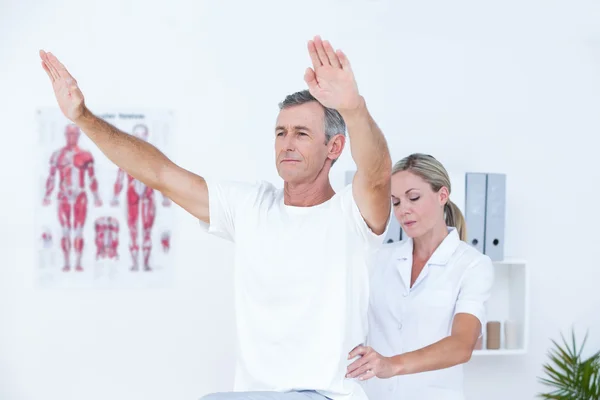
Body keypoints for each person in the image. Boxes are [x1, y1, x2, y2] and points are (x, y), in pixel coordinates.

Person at [39, 35, 392, 400]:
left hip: (326, 395)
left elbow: (379, 174)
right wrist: (83, 118)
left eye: (302, 134)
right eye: (280, 133)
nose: (287, 143)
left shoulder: (352, 214)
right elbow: (159, 173)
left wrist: (353, 108)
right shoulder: (250, 206)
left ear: (334, 147)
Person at [345, 153, 494, 400]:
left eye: (413, 197)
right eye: (396, 202)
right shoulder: (379, 258)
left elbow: (462, 344)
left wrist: (391, 365)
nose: (404, 210)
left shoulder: (473, 265)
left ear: (442, 195)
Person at [42, 123, 103, 272]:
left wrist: (96, 197)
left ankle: (78, 262)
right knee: (65, 230)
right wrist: (47, 195)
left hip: (80, 197)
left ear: (78, 135)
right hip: (63, 196)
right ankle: (66, 262)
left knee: (78, 230)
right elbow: (51, 177)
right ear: (65, 135)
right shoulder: (57, 155)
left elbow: (92, 178)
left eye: (74, 134)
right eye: (69, 134)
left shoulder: (86, 155)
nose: (72, 137)